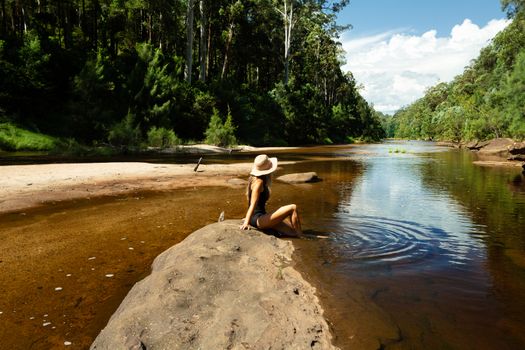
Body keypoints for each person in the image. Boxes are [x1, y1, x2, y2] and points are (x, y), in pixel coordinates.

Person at [240, 154, 303, 237]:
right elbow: (252, 204)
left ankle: (296, 234)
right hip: (258, 220)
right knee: (293, 207)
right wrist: (246, 222)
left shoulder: (254, 178)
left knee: (291, 230)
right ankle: (300, 236)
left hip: (260, 216)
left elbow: (251, 201)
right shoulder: (259, 183)